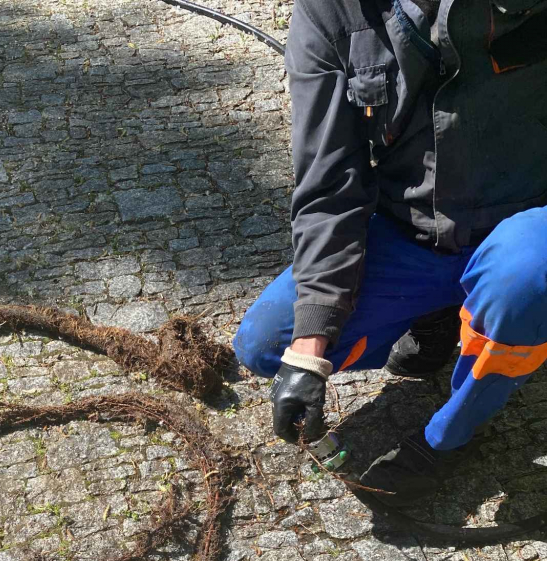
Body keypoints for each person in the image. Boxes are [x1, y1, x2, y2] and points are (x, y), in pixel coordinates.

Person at [232, 0, 547, 506]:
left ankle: (448, 438)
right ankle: (440, 314)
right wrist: (311, 353)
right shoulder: (329, 13)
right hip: (411, 233)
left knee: (527, 278)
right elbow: (329, 186)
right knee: (266, 343)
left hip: (523, 232)